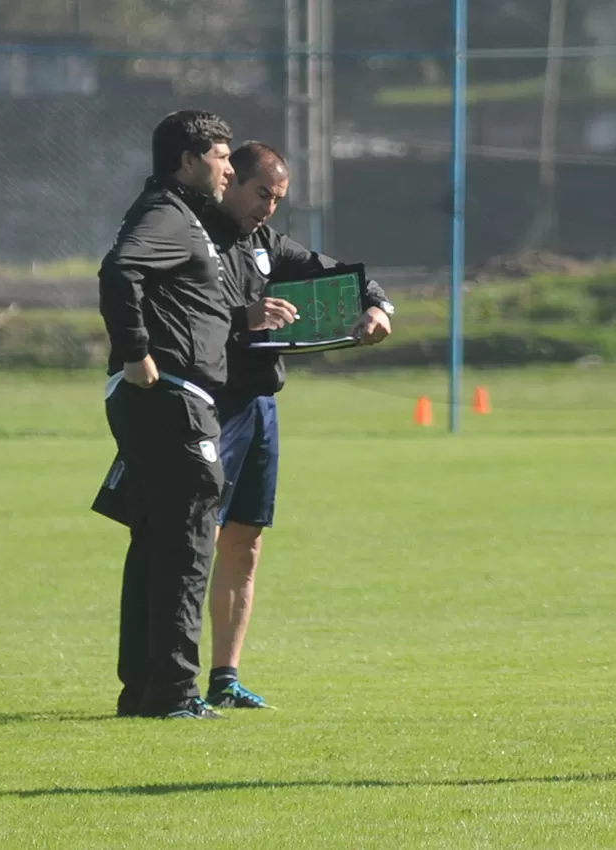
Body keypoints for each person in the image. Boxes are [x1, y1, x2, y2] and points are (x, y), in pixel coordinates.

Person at [198, 141, 395, 710]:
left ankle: (225, 679)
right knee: (194, 541)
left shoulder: (265, 244)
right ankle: (174, 678)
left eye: (278, 200)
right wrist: (243, 317)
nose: (268, 209)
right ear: (231, 179)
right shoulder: (192, 238)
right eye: (262, 194)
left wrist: (378, 306)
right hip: (209, 403)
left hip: (260, 404)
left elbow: (339, 274)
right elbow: (179, 314)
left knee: (246, 542)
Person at [97, 109, 245, 720]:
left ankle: (144, 687)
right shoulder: (166, 213)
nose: (228, 167)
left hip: (169, 400)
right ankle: (176, 694)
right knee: (186, 541)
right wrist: (136, 354)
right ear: (187, 160)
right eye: (219, 156)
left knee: (157, 543)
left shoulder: (183, 216)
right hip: (172, 399)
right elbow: (119, 269)